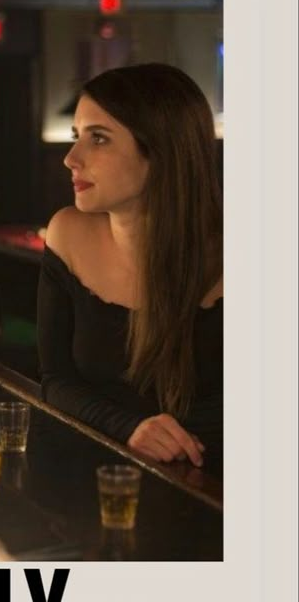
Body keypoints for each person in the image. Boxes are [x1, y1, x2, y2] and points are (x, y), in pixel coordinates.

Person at [37, 63, 223, 472]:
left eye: (98, 139)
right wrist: (131, 429)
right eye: (76, 137)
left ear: (161, 152)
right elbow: (55, 380)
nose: (71, 158)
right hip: (101, 472)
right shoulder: (67, 232)